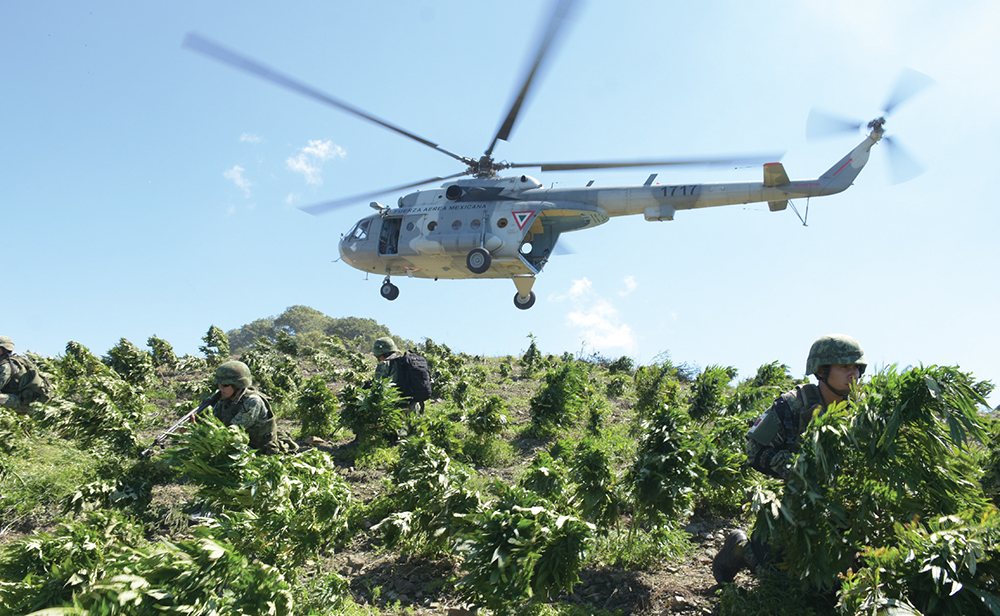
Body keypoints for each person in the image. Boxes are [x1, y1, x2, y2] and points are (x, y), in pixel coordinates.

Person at [712, 334, 867, 584]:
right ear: (822, 370)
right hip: (796, 506)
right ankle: (738, 548)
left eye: (856, 368)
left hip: (848, 508)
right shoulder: (792, 405)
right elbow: (755, 450)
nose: (853, 374)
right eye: (844, 367)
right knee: (774, 575)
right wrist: (801, 469)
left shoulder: (864, 411)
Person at [210, 360, 280, 454]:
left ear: (238, 385)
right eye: (219, 384)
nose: (220, 388)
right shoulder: (223, 400)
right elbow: (214, 424)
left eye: (225, 385)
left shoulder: (252, 402)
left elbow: (232, 434)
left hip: (260, 452)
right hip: (239, 447)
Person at [370, 336, 427, 414]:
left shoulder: (385, 364)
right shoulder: (406, 362)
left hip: (397, 411)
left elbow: (377, 389)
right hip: (415, 409)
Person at [0, 336, 50, 412]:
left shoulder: (7, 366)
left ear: (4, 349)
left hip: (23, 402)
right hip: (25, 400)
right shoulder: (18, 361)